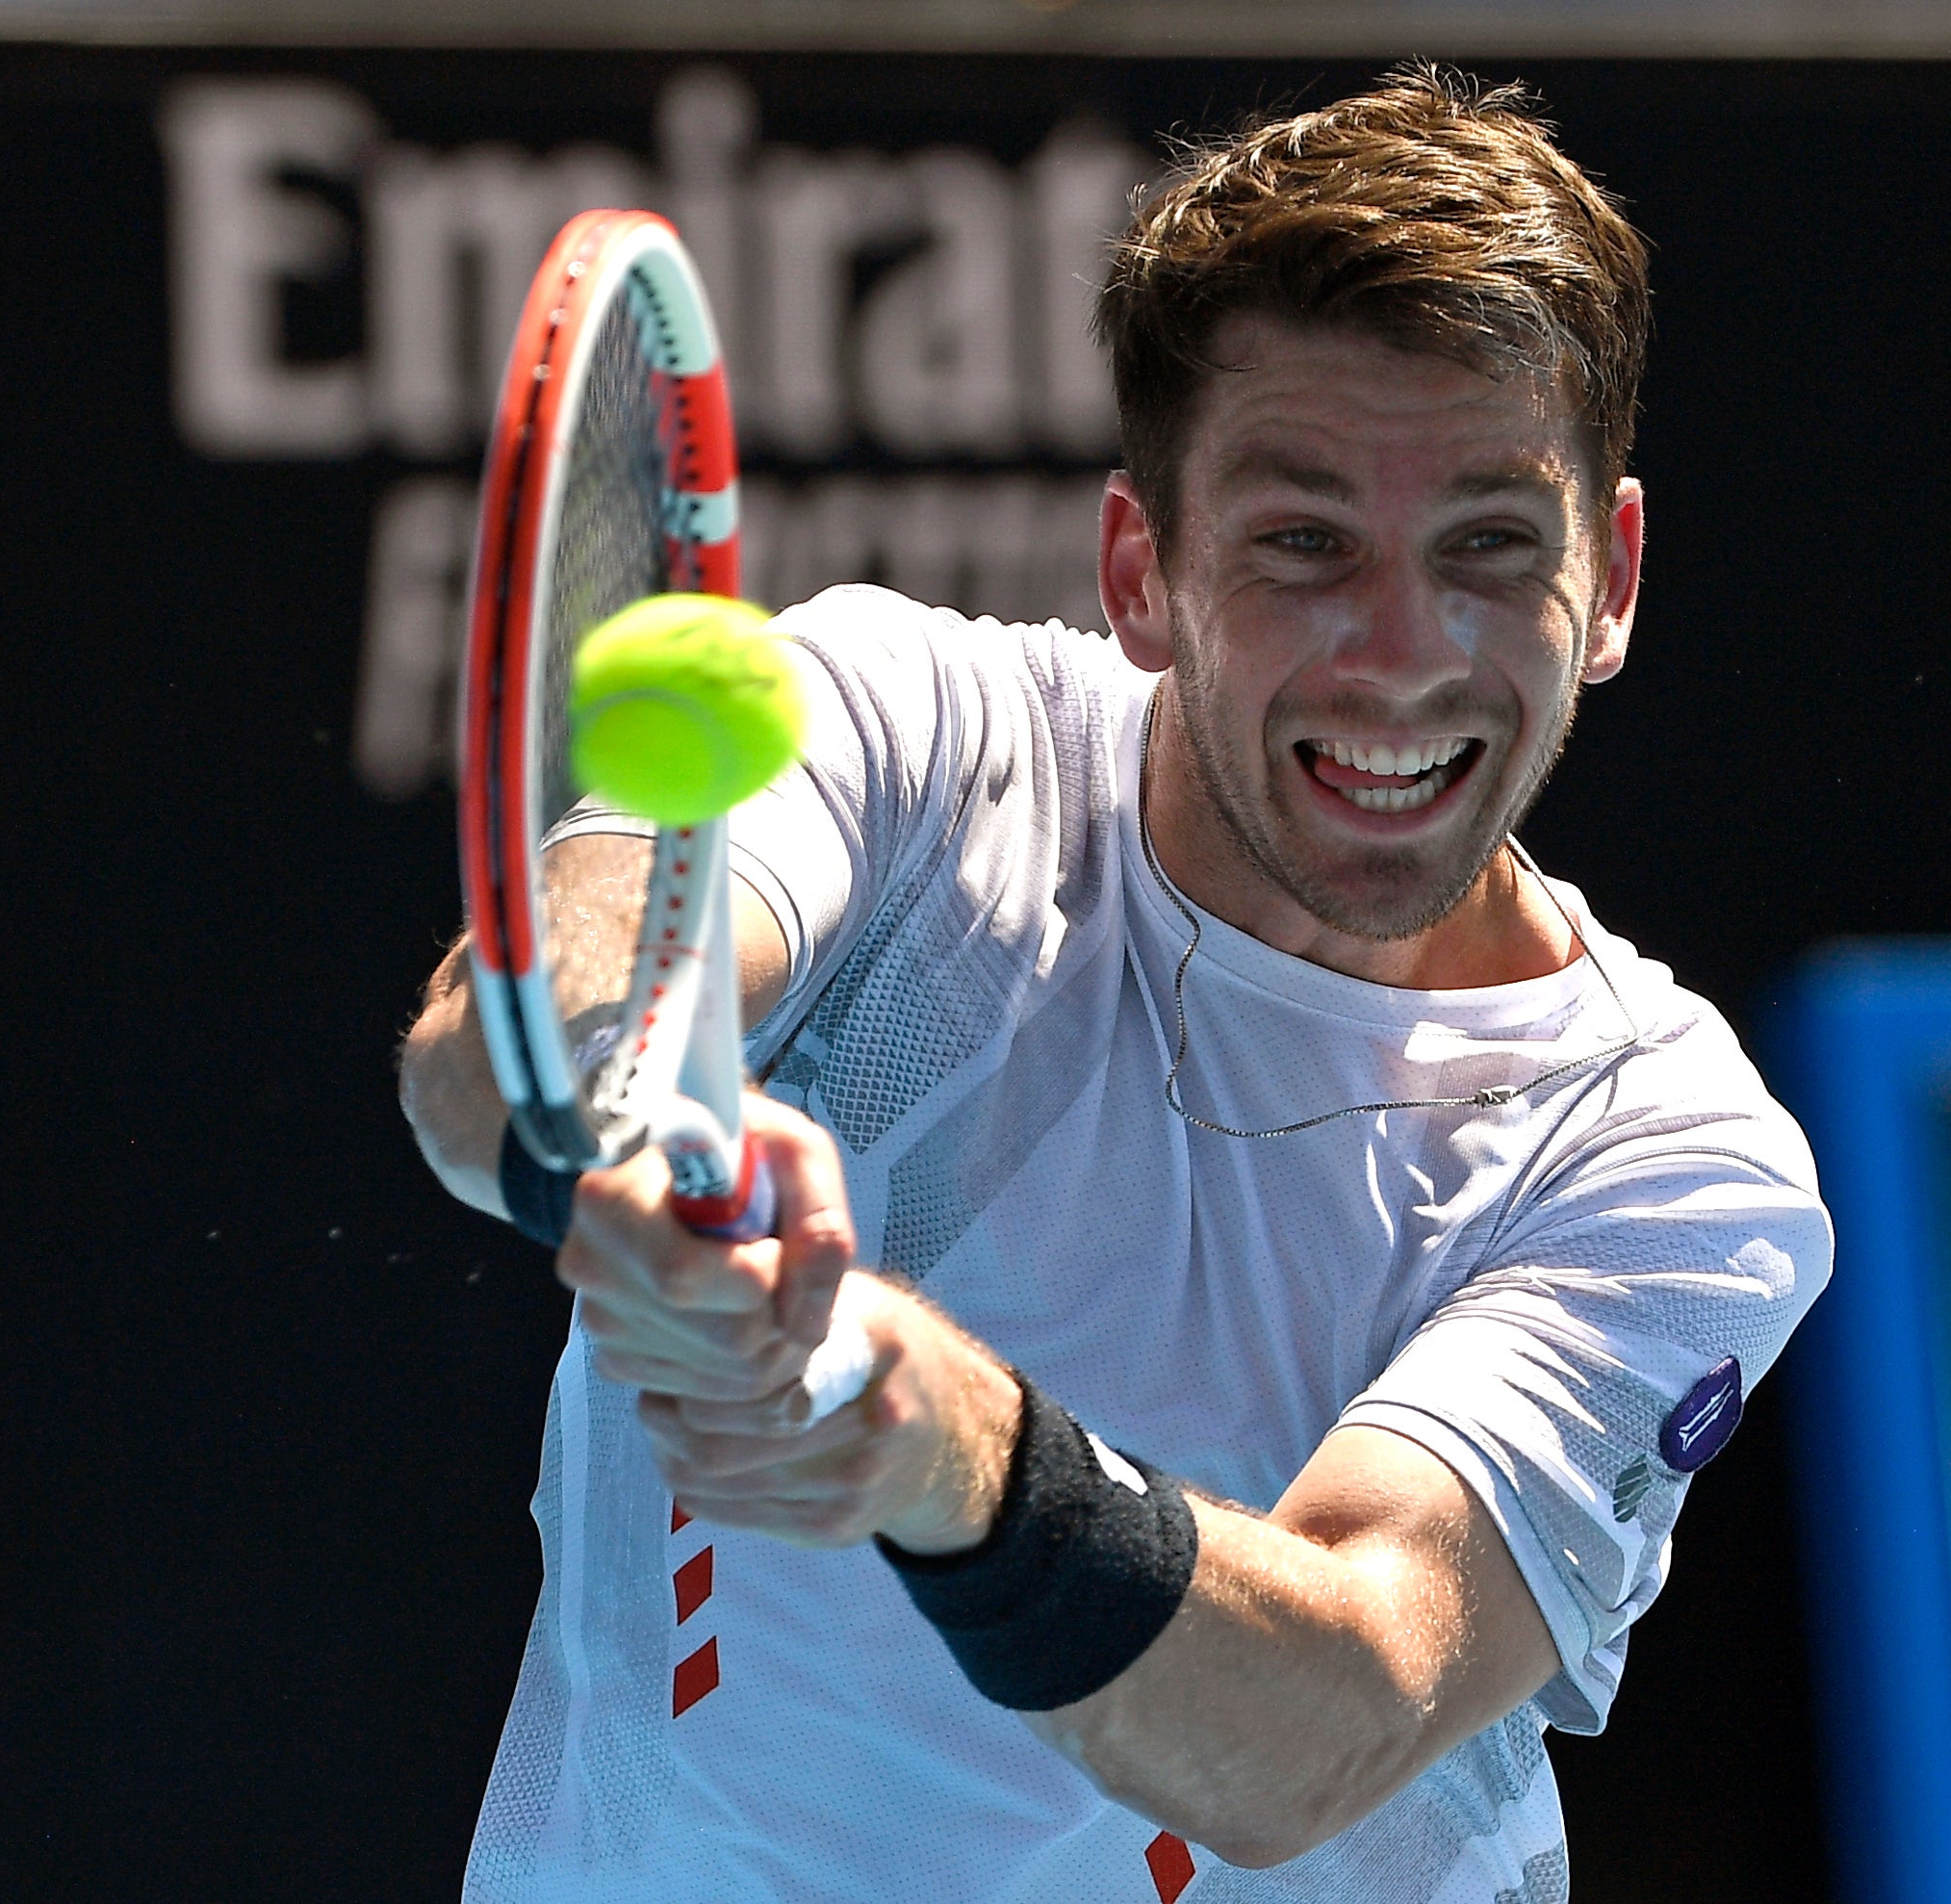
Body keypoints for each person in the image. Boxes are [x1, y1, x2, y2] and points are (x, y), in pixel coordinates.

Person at [400, 65, 1830, 1904]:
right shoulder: (908, 730)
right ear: (1139, 572)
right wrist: (637, 1123)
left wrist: (929, 1428)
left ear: (1611, 577)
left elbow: (1327, 1714)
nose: (1405, 657)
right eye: (1303, 542)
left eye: (1492, 542)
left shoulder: (1671, 1157)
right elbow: (512, 1037)